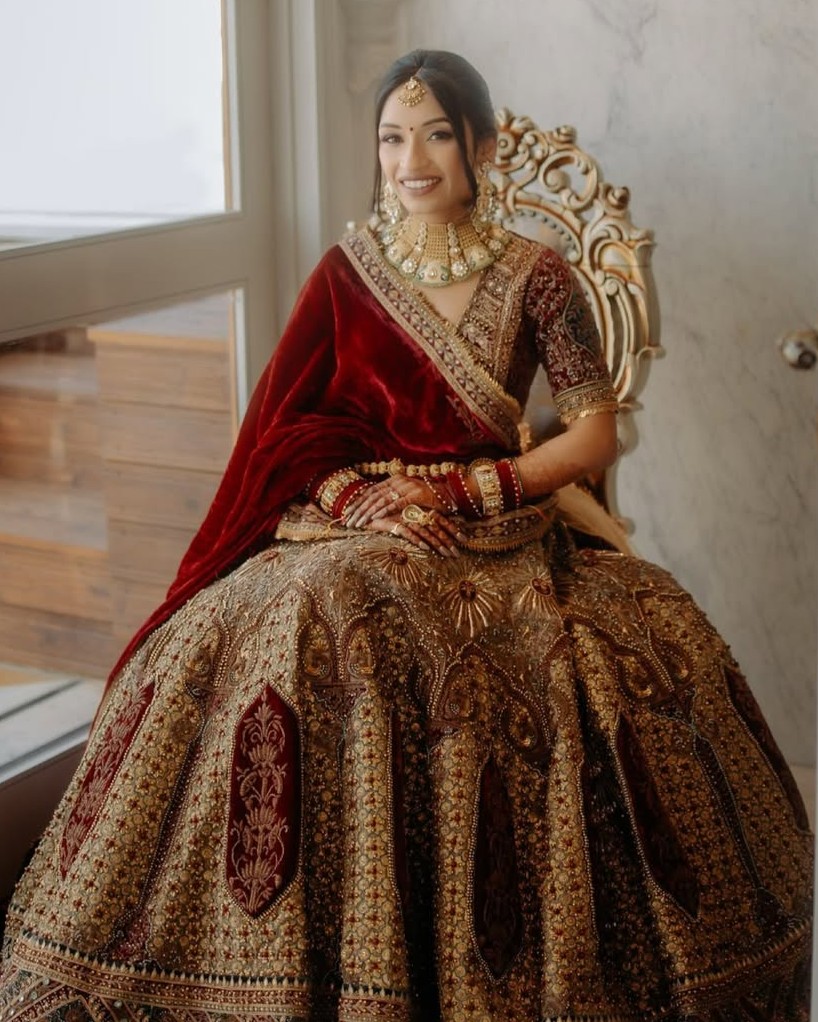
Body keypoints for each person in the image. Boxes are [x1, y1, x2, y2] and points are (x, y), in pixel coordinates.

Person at [0, 49, 811, 1022]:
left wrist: (471, 483)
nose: (409, 159)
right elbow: (286, 423)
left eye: (432, 135)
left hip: (487, 529)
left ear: (479, 143)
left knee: (400, 619)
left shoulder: (536, 276)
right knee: (289, 609)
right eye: (390, 137)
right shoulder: (346, 272)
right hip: (342, 517)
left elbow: (594, 430)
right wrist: (356, 498)